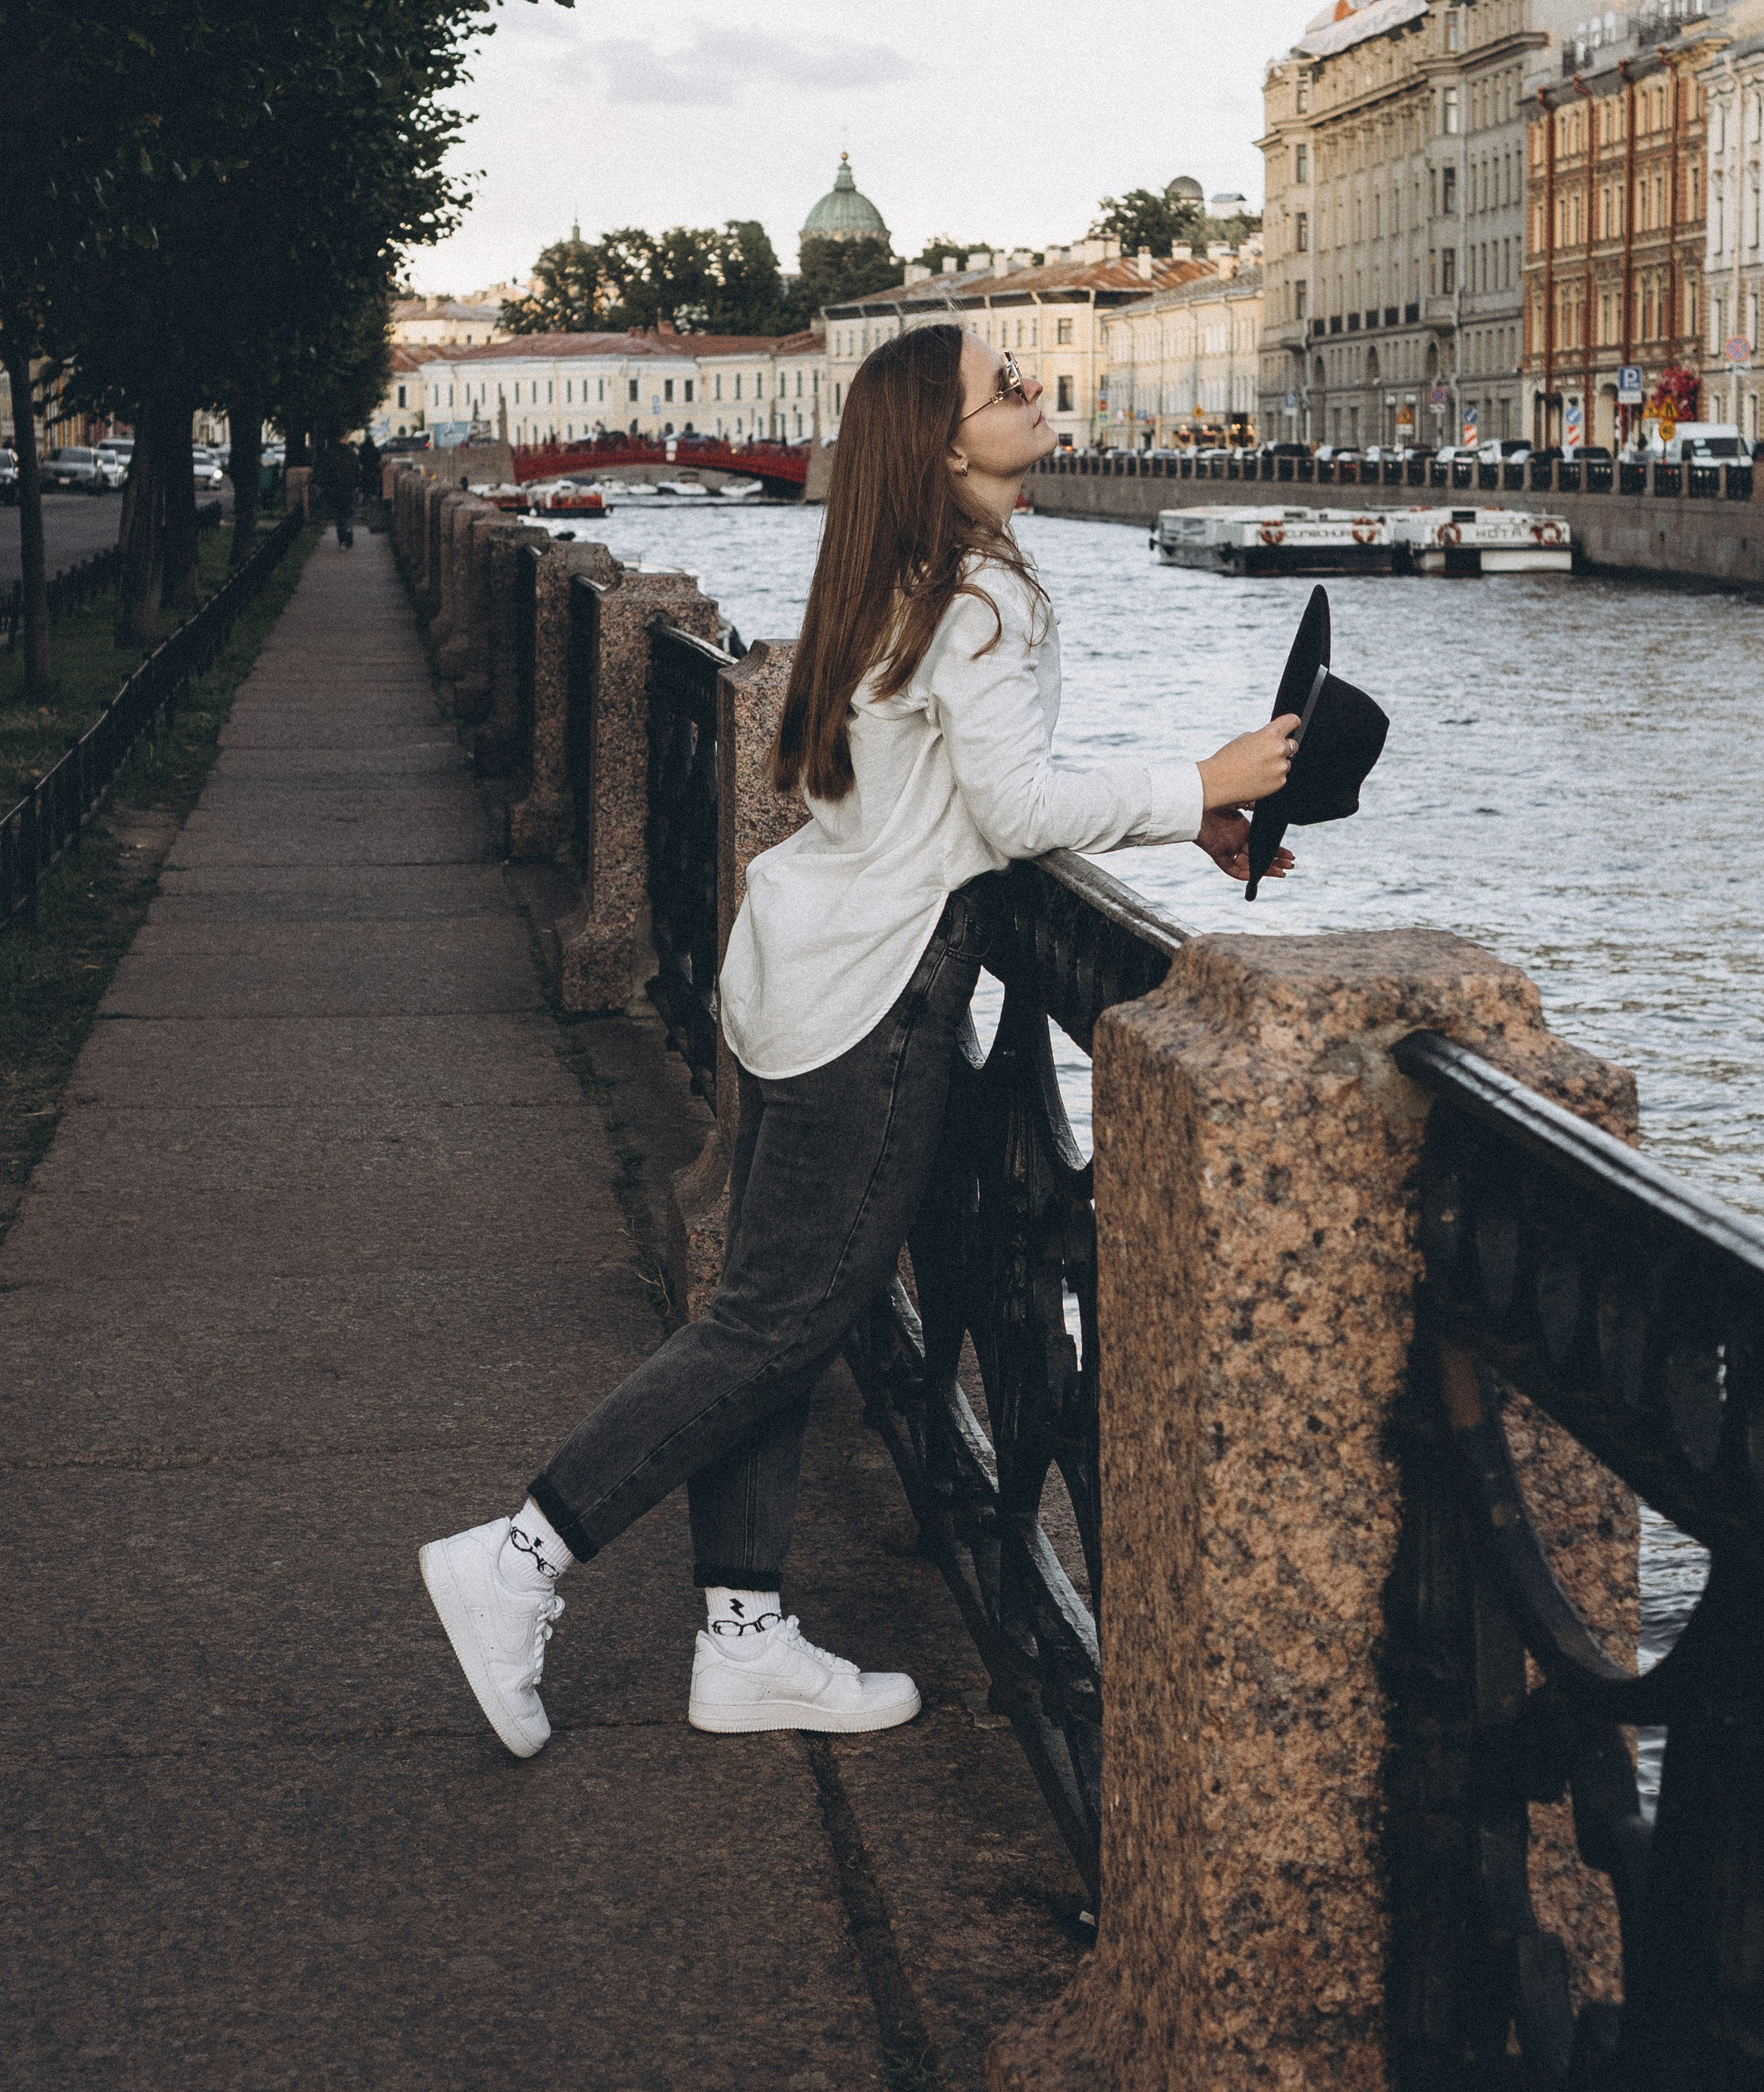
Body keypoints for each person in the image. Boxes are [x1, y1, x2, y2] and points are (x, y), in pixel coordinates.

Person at [418, 325, 1299, 1758]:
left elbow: (951, 789)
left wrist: (1174, 817)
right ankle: (519, 1559)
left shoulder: (889, 579)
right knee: (779, 1324)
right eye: (1002, 387)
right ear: (946, 447)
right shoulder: (979, 596)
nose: (1031, 395)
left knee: (768, 1319)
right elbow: (1009, 813)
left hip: (797, 963)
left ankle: (746, 1636)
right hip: (876, 995)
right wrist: (1203, 774)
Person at [313, 438, 358, 548]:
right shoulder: (351, 454)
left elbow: (326, 473)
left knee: (339, 514)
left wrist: (327, 487)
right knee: (350, 511)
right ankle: (349, 528)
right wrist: (356, 484)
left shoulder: (330, 455)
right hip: (349, 487)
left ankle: (342, 539)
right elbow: (357, 470)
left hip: (336, 489)